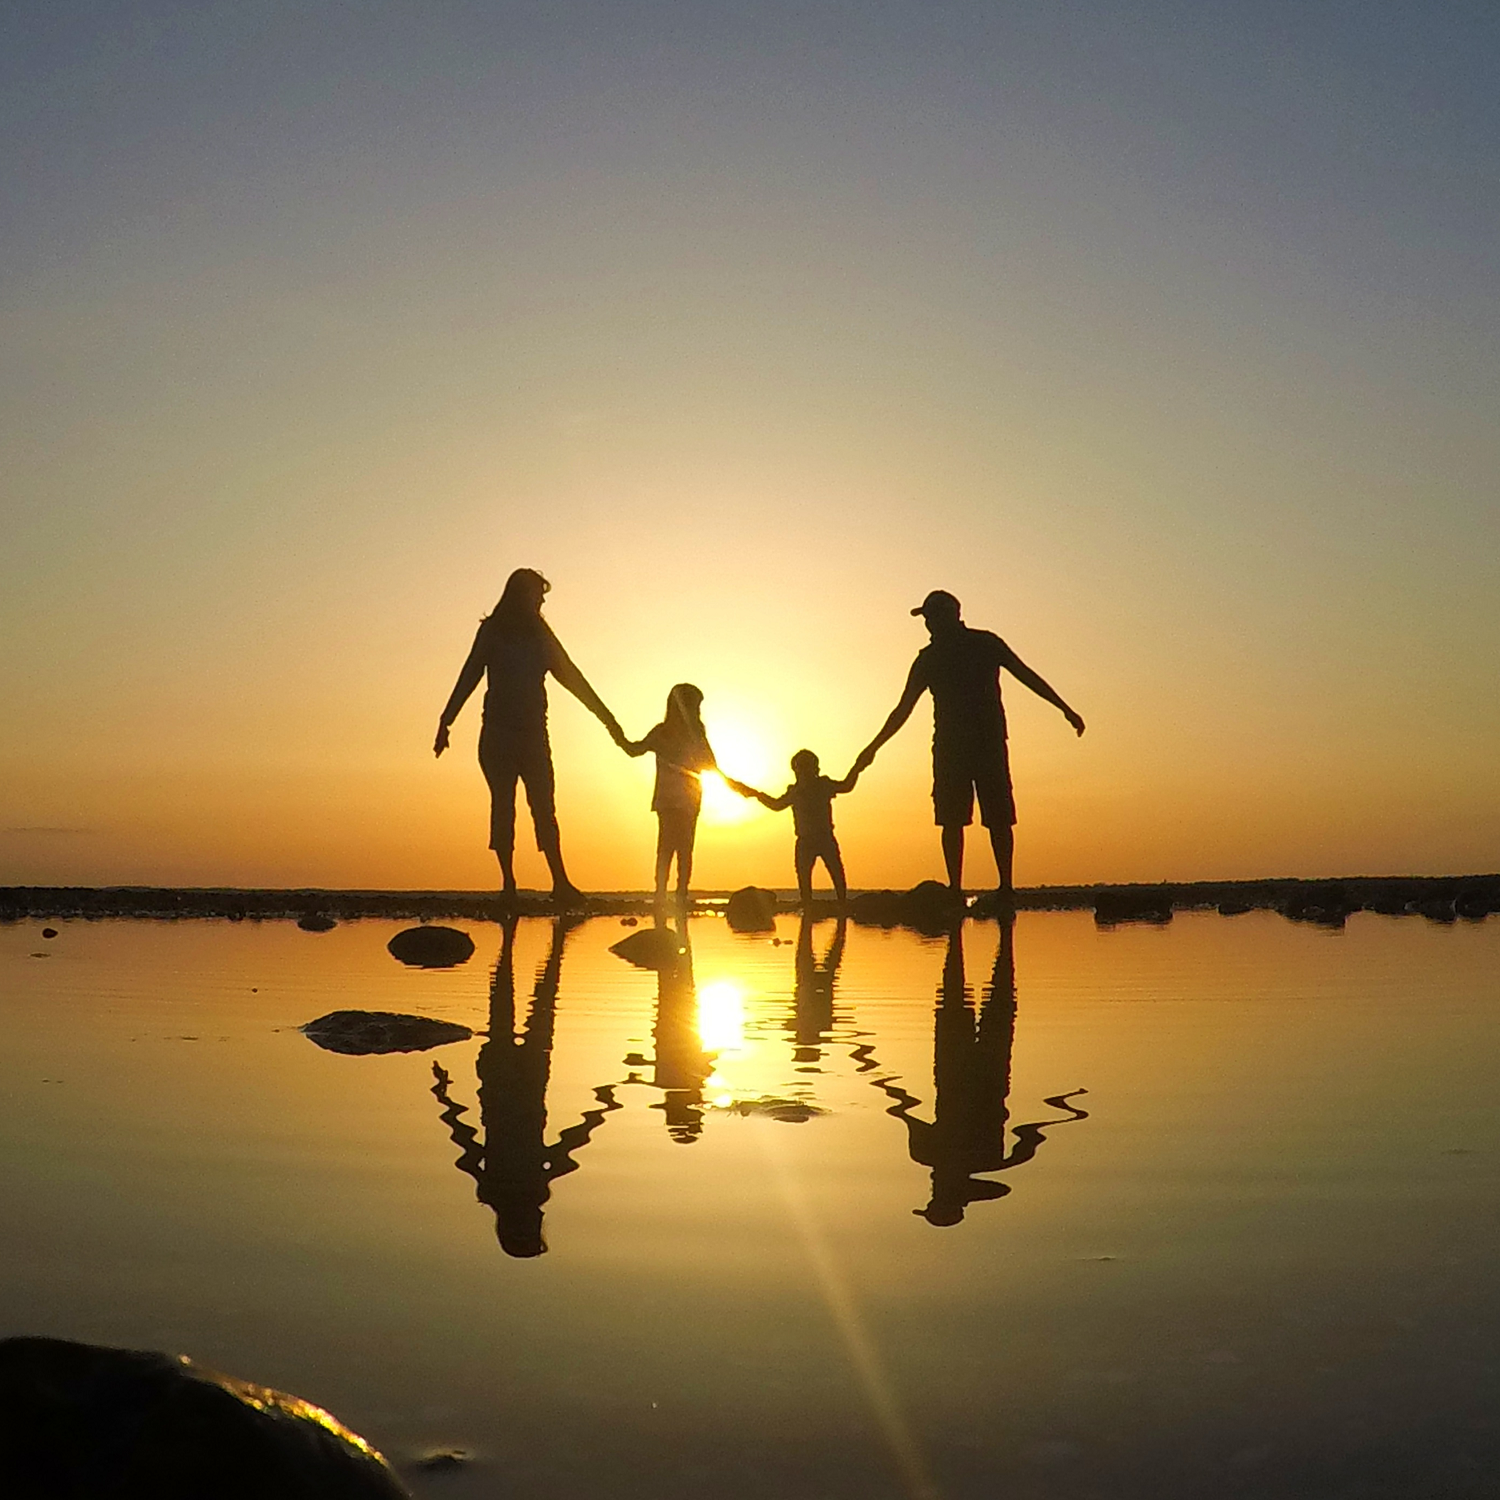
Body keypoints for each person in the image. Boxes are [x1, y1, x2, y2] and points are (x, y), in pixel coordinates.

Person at [852, 589, 1085, 903]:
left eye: (932, 617)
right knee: (952, 818)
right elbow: (903, 708)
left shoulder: (983, 644)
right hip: (952, 747)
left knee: (997, 815)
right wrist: (873, 747)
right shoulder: (930, 659)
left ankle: (1004, 887)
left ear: (951, 615)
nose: (929, 624)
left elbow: (1025, 674)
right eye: (927, 619)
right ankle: (957, 889)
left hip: (984, 742)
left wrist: (1064, 708)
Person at [434, 568, 624, 906]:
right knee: (503, 808)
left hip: (535, 736)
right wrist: (446, 721)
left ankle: (560, 882)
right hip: (497, 736)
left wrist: (607, 718)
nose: (540, 602)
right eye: (537, 595)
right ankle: (508, 885)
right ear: (519, 595)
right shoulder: (492, 632)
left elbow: (572, 677)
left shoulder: (541, 636)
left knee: (544, 809)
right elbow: (470, 674)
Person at [622, 684, 718, 906]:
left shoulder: (678, 732)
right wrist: (619, 737)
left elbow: (710, 763)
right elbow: (635, 749)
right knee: (676, 847)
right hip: (675, 799)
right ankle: (671, 893)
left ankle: (670, 893)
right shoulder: (669, 732)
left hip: (683, 799)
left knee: (673, 848)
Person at [726, 750, 859, 907]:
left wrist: (858, 767)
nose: (803, 771)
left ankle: (841, 906)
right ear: (795, 770)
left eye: (806, 767)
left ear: (815, 769)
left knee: (837, 876)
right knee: (805, 883)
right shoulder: (795, 791)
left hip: (825, 838)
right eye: (800, 768)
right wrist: (756, 794)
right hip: (805, 841)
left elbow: (846, 786)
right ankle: (809, 908)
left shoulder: (824, 785)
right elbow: (776, 805)